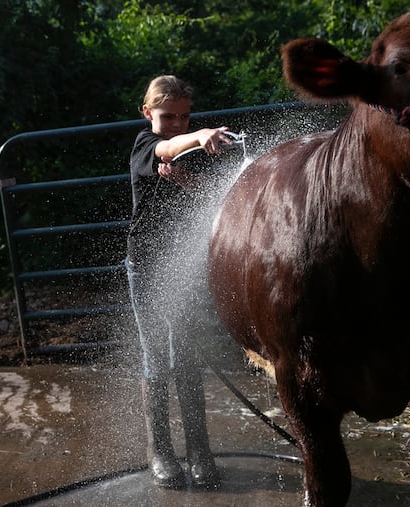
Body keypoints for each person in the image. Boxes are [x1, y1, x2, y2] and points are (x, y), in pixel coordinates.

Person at [125, 75, 231, 490]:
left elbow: (214, 198)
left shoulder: (194, 152)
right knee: (157, 358)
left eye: (186, 118)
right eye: (168, 116)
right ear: (148, 113)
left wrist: (188, 180)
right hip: (148, 266)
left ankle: (200, 451)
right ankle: (161, 452)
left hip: (184, 270)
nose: (177, 125)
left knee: (186, 357)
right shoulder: (145, 145)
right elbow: (165, 147)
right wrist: (200, 134)